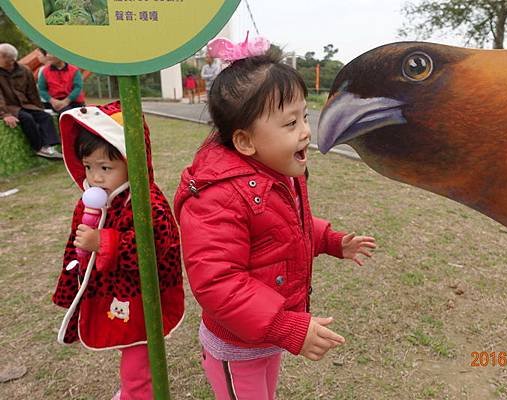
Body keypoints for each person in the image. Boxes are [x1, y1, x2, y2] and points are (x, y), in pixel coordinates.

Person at [173, 42, 377, 399]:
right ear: (245, 141)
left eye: (305, 118)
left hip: (265, 335)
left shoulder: (272, 172)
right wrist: (286, 326)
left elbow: (285, 228)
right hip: (238, 343)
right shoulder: (218, 197)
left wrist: (329, 241)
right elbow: (219, 283)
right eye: (290, 123)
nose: (305, 132)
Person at [52, 101, 185, 399]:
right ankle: (132, 390)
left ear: (132, 162)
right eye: (88, 166)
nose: (95, 177)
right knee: (130, 353)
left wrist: (103, 242)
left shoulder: (147, 203)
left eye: (105, 167)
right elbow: (75, 250)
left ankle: (136, 393)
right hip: (113, 298)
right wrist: (68, 288)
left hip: (143, 300)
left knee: (138, 362)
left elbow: (153, 246)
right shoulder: (93, 200)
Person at [0, 43, 62, 159]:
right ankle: (39, 148)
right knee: (27, 118)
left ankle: (50, 147)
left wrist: (39, 108)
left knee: (45, 116)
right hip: (9, 107)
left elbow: (32, 92)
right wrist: (5, 114)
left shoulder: (24, 70)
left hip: (25, 104)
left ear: (9, 59)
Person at [37, 48, 85, 115]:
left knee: (77, 114)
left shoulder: (74, 70)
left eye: (50, 53)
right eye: (47, 53)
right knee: (67, 113)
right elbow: (42, 89)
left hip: (75, 101)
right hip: (56, 102)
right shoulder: (45, 71)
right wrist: (52, 101)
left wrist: (66, 101)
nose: (47, 55)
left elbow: (78, 87)